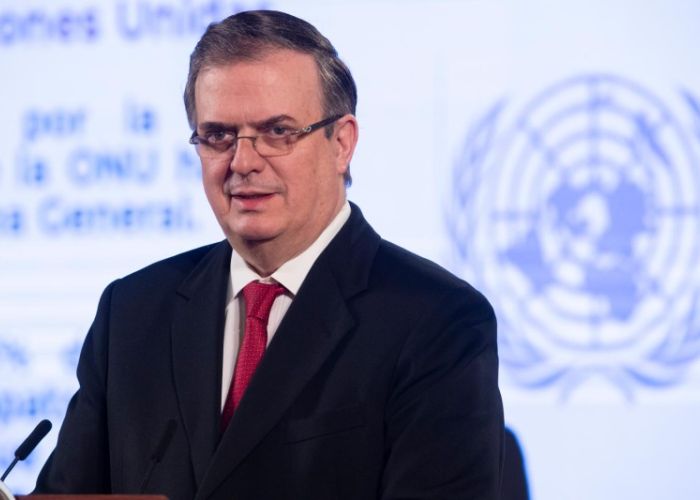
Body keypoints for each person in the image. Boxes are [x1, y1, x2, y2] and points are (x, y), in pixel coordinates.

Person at [35, 9, 504, 500]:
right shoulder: (132, 312)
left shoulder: (437, 321)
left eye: (278, 132)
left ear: (342, 143)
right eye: (218, 136)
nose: (242, 162)